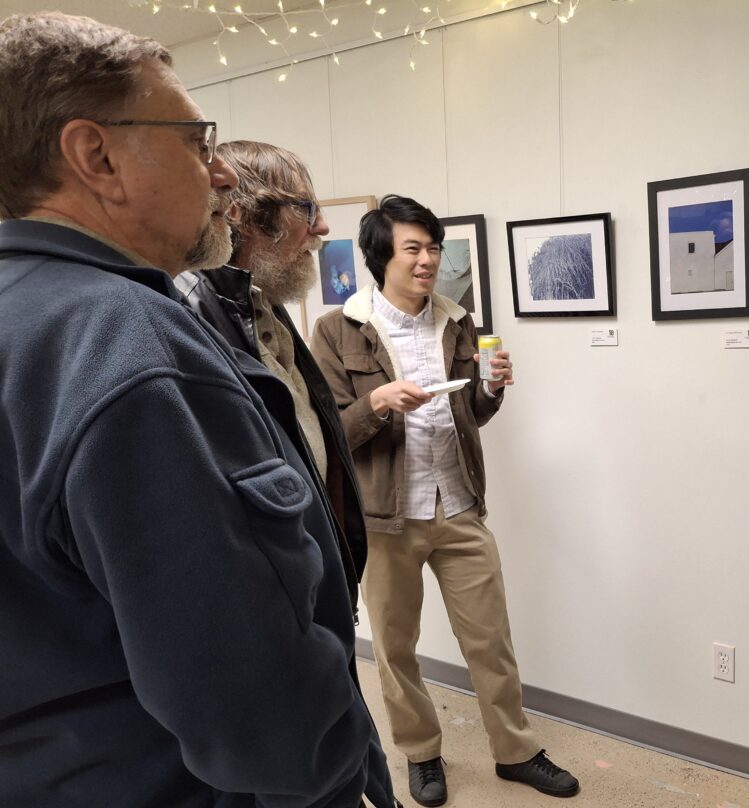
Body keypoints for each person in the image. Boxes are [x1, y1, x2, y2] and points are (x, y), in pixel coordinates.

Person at [0, 13, 396, 808]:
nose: (220, 175)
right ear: (96, 156)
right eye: (194, 141)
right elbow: (259, 710)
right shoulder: (129, 342)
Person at [310, 195, 580, 806]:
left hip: (458, 505)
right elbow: (327, 432)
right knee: (397, 646)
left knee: (491, 638)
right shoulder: (335, 329)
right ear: (382, 257)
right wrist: (378, 404)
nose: (428, 259)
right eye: (414, 248)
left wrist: (491, 387)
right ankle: (421, 754)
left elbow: (472, 415)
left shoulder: (457, 321)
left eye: (433, 247)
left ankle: (516, 752)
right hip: (385, 517)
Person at [176, 140, 368, 622]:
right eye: (306, 208)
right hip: (276, 603)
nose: (322, 227)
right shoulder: (192, 318)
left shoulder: (263, 305)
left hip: (314, 581)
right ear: (245, 214)